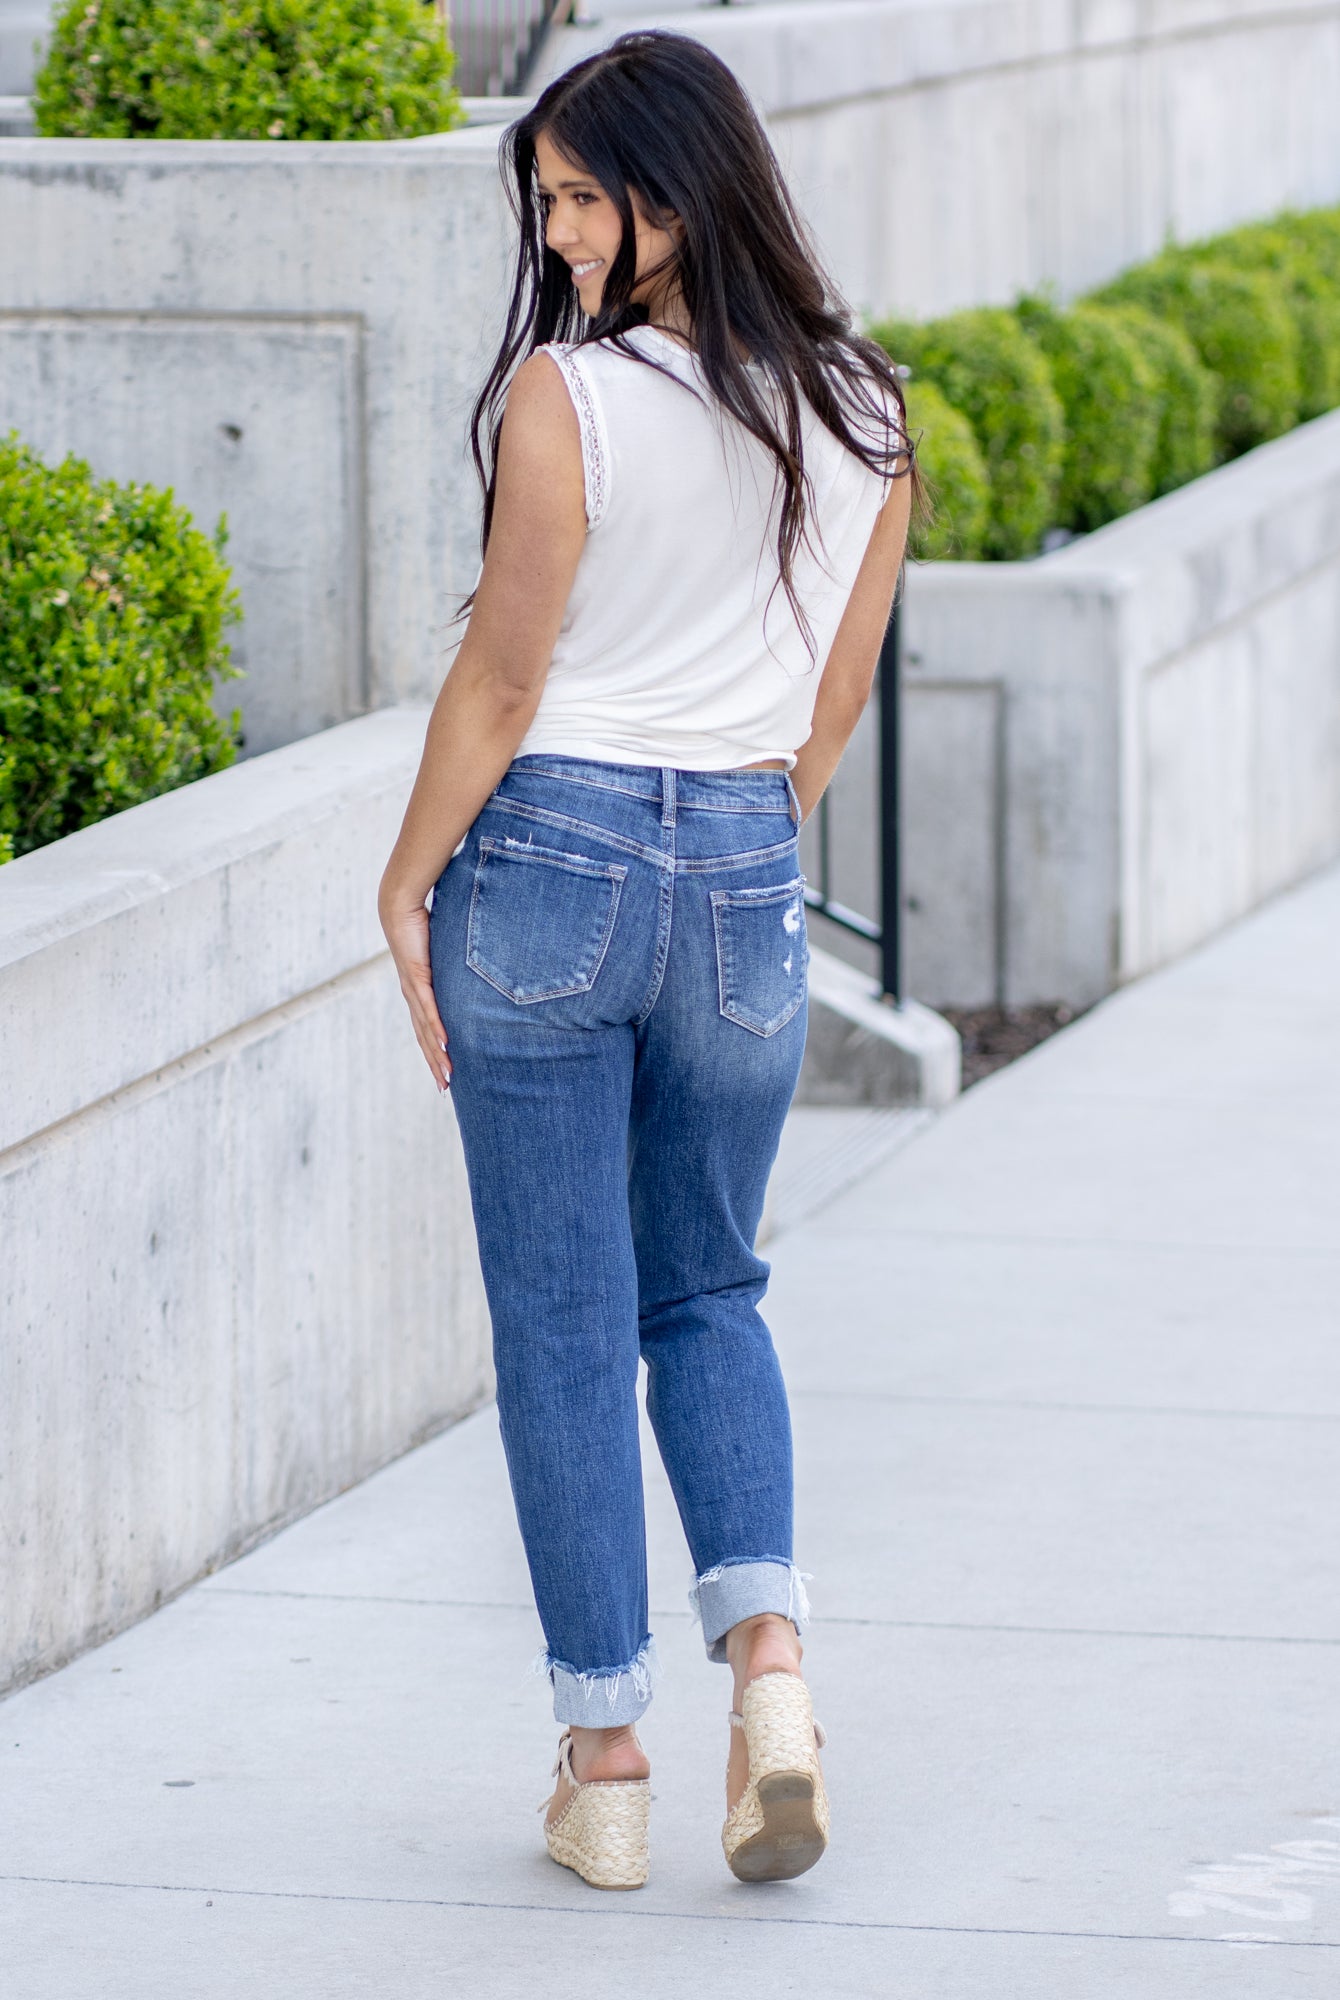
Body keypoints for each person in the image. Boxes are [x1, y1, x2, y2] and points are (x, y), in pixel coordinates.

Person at [378, 28, 915, 1892]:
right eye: (547, 204)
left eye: (584, 199)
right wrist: (738, 855)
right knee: (708, 1289)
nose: (562, 236)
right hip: (748, 865)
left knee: (562, 1319)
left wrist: (406, 881)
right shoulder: (867, 407)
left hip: (552, 855)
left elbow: (503, 679)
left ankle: (606, 1762)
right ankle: (774, 1674)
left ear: (680, 191)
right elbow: (831, 702)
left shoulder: (572, 399)